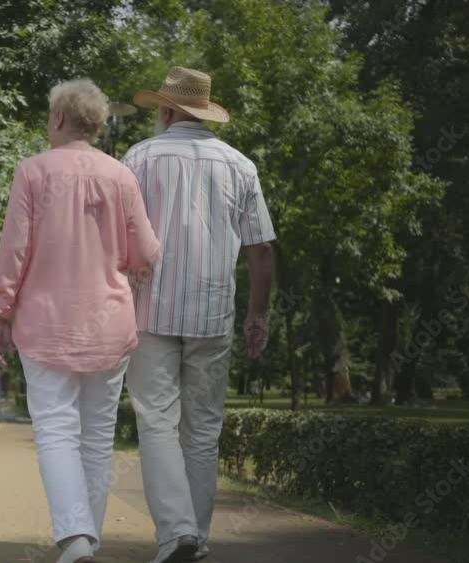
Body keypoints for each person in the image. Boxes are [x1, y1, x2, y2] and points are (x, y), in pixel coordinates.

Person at [0, 79, 160, 563]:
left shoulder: (32, 172)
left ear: (60, 119)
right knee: (97, 436)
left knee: (57, 431)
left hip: (47, 326)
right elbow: (145, 252)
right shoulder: (121, 176)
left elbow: (14, 251)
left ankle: (76, 538)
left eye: (48, 117)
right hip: (109, 324)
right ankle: (87, 539)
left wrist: (0, 310)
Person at [121, 66, 276, 563]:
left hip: (150, 310)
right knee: (203, 432)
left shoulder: (139, 158)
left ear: (166, 111)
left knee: (158, 423)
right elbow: (261, 251)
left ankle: (175, 533)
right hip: (212, 313)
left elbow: (120, 241)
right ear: (203, 111)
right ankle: (198, 539)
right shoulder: (240, 166)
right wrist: (258, 316)